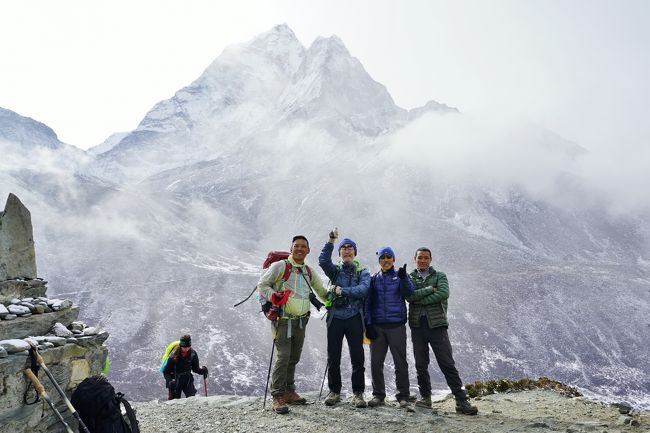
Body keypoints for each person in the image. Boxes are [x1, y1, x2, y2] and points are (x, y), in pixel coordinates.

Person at [258, 235, 328, 414]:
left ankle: (289, 391)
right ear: (291, 249)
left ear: (308, 250)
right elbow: (263, 284)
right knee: (283, 357)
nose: (299, 249)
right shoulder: (280, 267)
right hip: (282, 320)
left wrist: (334, 300)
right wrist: (273, 296)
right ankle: (277, 396)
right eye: (296, 246)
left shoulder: (309, 272)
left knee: (294, 357)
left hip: (301, 320)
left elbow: (321, 291)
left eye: (303, 247)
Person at [406, 247, 478, 415]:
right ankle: (425, 398)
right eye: (420, 258)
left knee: (447, 363)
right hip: (417, 326)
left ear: (430, 260)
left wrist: (420, 299)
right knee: (420, 364)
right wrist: (431, 290)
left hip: (437, 326)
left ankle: (461, 401)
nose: (422, 260)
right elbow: (409, 296)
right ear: (414, 259)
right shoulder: (410, 278)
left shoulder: (440, 276)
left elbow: (444, 293)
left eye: (425, 258)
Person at [318, 229, 371, 408]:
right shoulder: (335, 271)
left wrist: (343, 291)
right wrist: (331, 241)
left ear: (355, 252)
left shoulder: (362, 271)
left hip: (355, 317)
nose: (347, 251)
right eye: (344, 248)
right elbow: (323, 261)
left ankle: (358, 393)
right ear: (340, 252)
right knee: (333, 356)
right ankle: (334, 392)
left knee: (357, 357)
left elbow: (363, 290)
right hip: (335, 318)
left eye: (350, 248)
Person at [364, 246, 415, 408]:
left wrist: (404, 278)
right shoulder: (373, 279)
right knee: (375, 362)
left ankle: (403, 396)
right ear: (379, 261)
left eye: (389, 257)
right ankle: (378, 395)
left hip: (396, 326)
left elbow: (410, 293)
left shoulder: (400, 276)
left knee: (400, 362)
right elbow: (368, 304)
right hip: (377, 327)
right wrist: (368, 324)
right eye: (382, 258)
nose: (386, 260)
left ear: (393, 260)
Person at [163, 334, 208, 400]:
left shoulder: (193, 354)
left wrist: (202, 371)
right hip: (175, 380)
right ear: (181, 346)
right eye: (184, 347)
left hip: (187, 380)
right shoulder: (173, 355)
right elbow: (166, 371)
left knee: (192, 399)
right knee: (174, 402)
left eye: (188, 347)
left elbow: (195, 369)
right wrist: (170, 381)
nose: (186, 349)